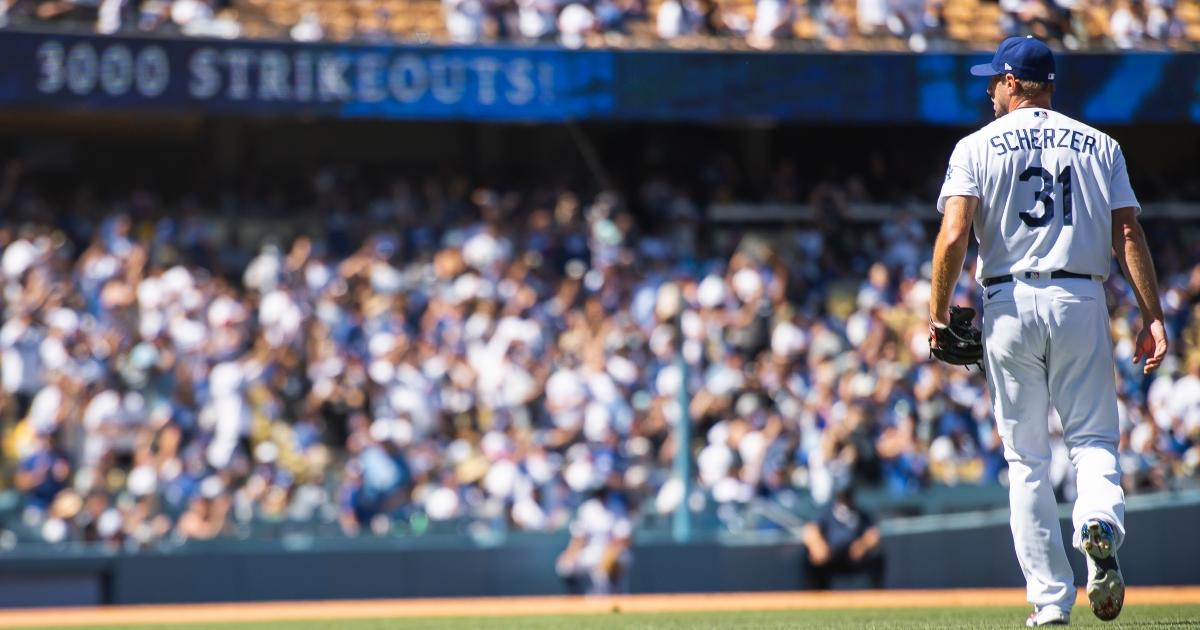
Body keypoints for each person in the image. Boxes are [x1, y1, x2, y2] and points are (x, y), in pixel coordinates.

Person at [929, 36, 1167, 627]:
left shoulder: (975, 147)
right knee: (1091, 440)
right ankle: (1099, 522)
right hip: (1080, 295)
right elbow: (1129, 235)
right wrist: (1152, 315)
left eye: (994, 80)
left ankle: (1051, 604)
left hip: (1006, 299)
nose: (989, 90)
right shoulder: (1100, 145)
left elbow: (955, 233)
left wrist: (938, 314)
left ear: (1013, 82)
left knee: (1027, 460)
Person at [801, 486, 884, 590]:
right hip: (830, 557)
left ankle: (877, 595)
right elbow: (810, 530)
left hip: (853, 557)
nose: (845, 501)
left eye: (847, 497)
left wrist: (863, 545)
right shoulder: (826, 513)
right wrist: (818, 546)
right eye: (842, 497)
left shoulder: (861, 514)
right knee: (809, 558)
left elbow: (874, 534)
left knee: (877, 556)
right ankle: (816, 599)